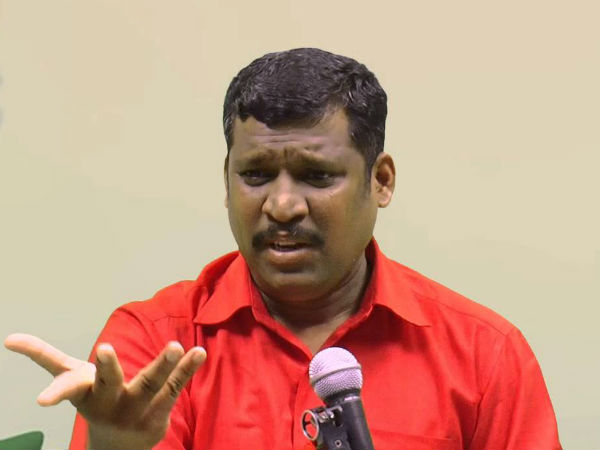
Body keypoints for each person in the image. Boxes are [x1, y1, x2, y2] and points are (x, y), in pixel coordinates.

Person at [4, 48, 561, 450]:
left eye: (317, 176)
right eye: (256, 175)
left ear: (381, 181)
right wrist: (116, 448)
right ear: (226, 180)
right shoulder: (155, 344)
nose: (283, 205)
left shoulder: (485, 356)